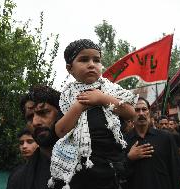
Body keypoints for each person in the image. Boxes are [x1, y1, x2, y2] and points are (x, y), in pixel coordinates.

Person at [49, 39, 137, 189]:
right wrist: (78, 107)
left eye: (96, 60)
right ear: (70, 68)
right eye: (83, 59)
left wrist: (102, 98)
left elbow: (130, 113)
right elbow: (60, 131)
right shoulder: (67, 97)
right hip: (81, 171)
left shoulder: (110, 90)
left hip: (112, 168)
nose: (91, 64)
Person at [7, 85, 64, 189]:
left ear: (61, 113)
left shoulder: (95, 160)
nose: (35, 122)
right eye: (29, 117)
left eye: (43, 112)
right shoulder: (18, 180)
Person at [124, 97, 180, 189]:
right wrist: (129, 158)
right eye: (137, 110)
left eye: (144, 109)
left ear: (149, 112)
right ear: (131, 113)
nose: (141, 113)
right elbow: (118, 172)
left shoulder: (165, 138)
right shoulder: (124, 141)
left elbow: (175, 167)